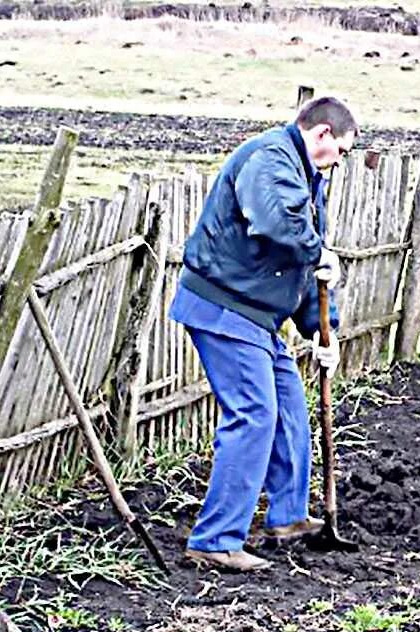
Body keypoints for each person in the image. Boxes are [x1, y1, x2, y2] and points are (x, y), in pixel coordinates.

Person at [169, 97, 358, 572]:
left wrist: (324, 333)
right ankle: (214, 539)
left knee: (290, 411)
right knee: (254, 415)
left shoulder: (307, 178)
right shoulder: (270, 158)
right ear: (321, 135)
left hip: (256, 315)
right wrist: (318, 251)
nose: (341, 161)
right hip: (222, 306)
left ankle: (288, 517)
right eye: (342, 150)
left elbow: (298, 274)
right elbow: (277, 227)